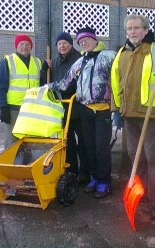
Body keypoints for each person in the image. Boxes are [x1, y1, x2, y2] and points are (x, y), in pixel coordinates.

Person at [110, 14, 155, 220]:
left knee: (154, 160)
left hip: (151, 113)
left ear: (145, 29)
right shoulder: (122, 53)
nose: (132, 32)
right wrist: (115, 109)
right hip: (129, 114)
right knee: (136, 158)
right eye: (129, 29)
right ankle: (140, 194)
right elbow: (115, 82)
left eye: (136, 28)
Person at [49, 26, 116, 199]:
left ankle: (104, 182)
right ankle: (94, 178)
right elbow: (65, 83)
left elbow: (121, 77)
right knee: (89, 147)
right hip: (85, 110)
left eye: (86, 39)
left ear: (95, 39)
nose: (84, 43)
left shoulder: (109, 56)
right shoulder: (79, 62)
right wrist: (46, 88)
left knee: (101, 148)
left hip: (103, 110)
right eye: (80, 41)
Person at [40, 32, 90, 184]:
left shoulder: (79, 59)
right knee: (67, 142)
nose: (62, 46)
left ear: (70, 44)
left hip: (78, 107)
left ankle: (86, 172)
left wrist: (62, 89)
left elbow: (75, 83)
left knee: (83, 142)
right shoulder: (54, 62)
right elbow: (46, 84)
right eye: (59, 44)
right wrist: (44, 70)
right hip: (62, 109)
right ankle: (71, 171)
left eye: (65, 43)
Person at [0, 34, 42, 148]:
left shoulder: (37, 62)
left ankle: (27, 165)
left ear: (31, 47)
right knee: (12, 143)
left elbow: (42, 84)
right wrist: (3, 107)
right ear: (16, 46)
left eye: (27, 44)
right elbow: (1, 86)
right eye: (21, 44)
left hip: (32, 108)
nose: (24, 47)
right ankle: (11, 165)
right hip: (14, 109)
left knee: (30, 142)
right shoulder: (7, 61)